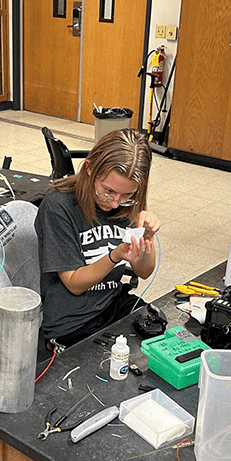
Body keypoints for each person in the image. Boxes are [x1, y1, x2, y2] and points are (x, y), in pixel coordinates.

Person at [35, 128, 160, 349]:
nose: (114, 203)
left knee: (159, 336)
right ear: (91, 168)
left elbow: (144, 271)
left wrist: (146, 241)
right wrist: (115, 256)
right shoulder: (58, 206)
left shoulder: (126, 205)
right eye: (108, 191)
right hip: (73, 321)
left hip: (112, 303)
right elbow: (74, 284)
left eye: (127, 195)